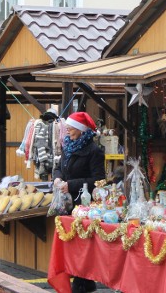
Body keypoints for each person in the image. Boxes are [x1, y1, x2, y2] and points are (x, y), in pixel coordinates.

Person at [52, 111, 105, 293]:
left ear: (81, 130)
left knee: (81, 246)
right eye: (67, 128)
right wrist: (57, 179)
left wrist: (71, 185)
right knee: (70, 245)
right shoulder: (67, 146)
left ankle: (82, 283)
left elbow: (99, 180)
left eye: (71, 128)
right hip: (67, 205)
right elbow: (58, 168)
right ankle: (80, 281)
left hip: (84, 206)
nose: (67, 131)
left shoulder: (94, 151)